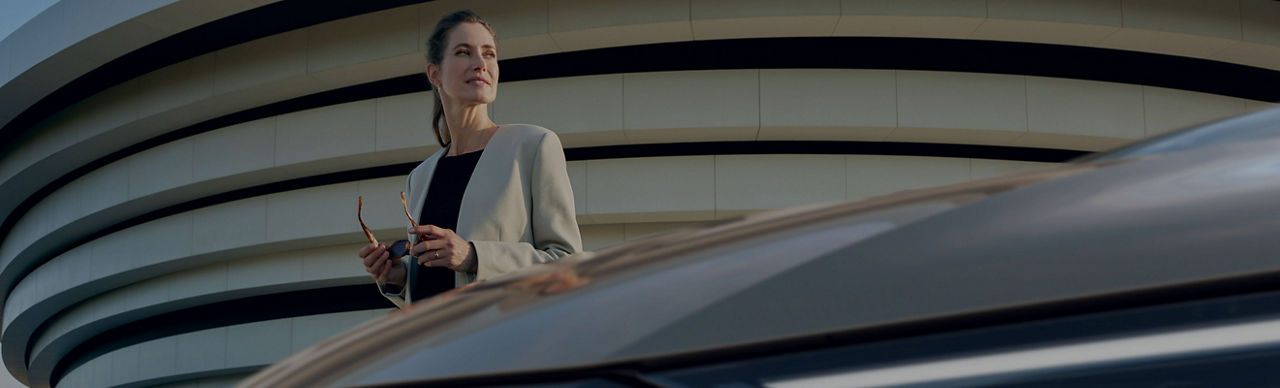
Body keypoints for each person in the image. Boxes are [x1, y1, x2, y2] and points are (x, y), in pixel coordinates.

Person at [356, 10, 582, 307]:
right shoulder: (420, 177)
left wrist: (474, 256)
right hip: (432, 345)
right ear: (434, 74)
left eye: (489, 54)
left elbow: (568, 266)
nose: (480, 64)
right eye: (464, 52)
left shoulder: (534, 146)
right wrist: (398, 278)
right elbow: (434, 283)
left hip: (505, 344)